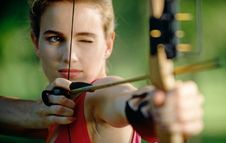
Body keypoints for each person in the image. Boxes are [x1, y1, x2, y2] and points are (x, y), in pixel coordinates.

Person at [0, 0, 204, 142]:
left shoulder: (100, 96)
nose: (70, 56)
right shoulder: (53, 112)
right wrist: (32, 112)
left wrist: (155, 107)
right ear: (35, 42)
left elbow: (124, 100)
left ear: (108, 44)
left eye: (86, 40)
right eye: (55, 38)